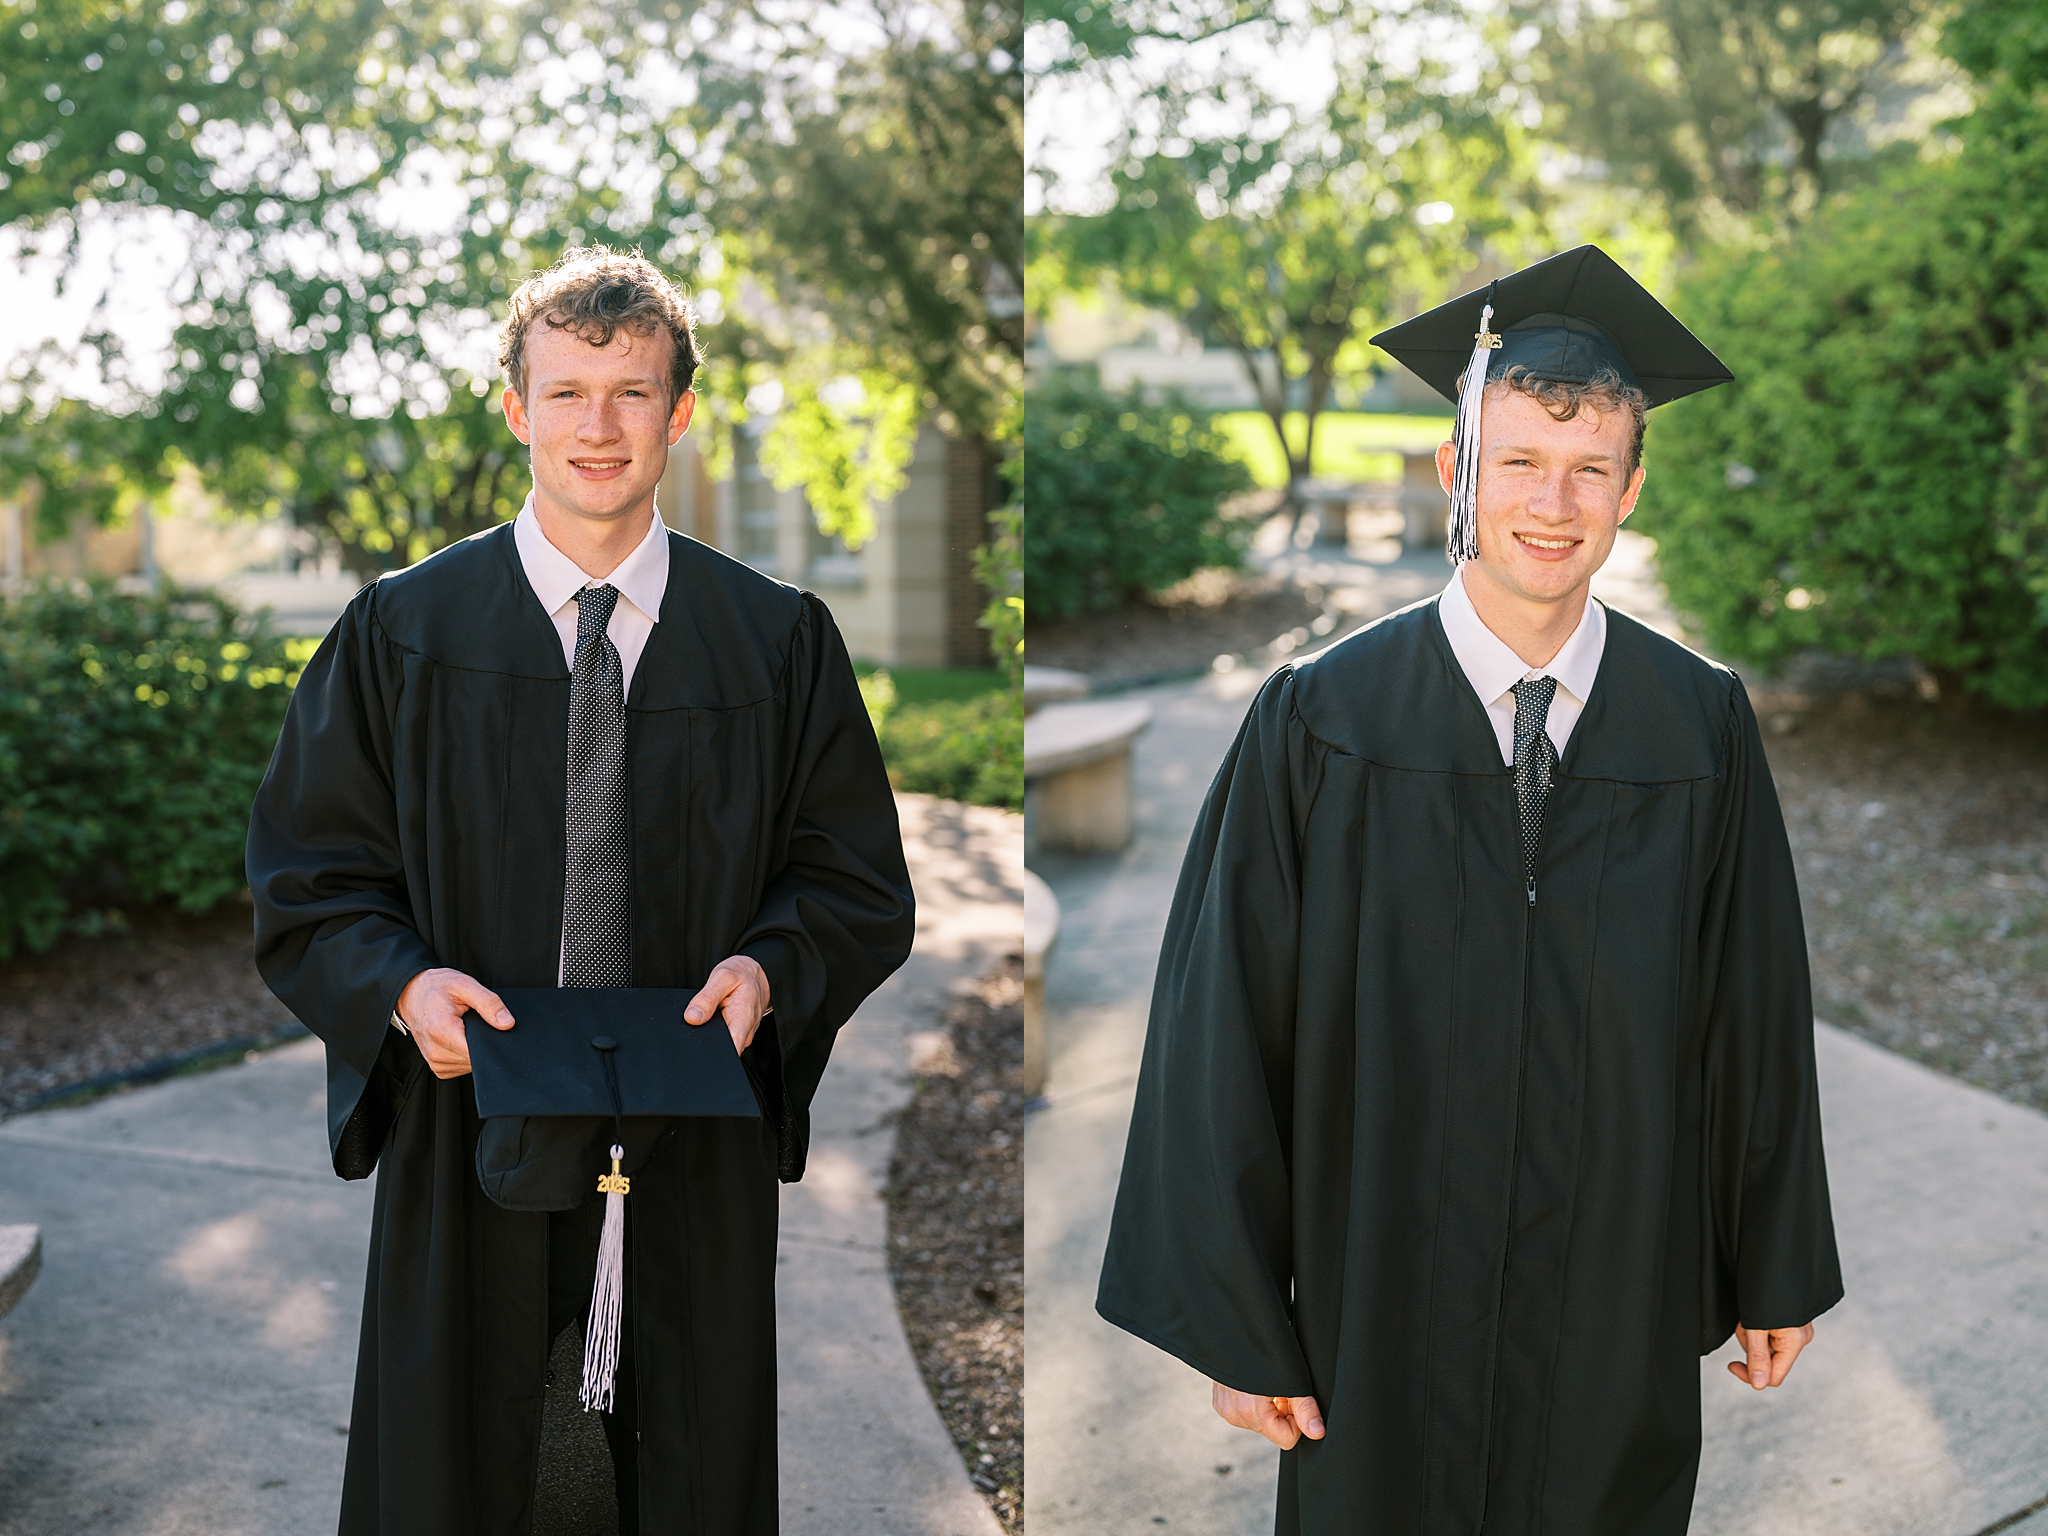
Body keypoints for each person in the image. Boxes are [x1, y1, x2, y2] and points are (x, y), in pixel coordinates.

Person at [1096, 245, 1842, 1535]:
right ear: (1456, 471)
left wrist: (1775, 1264)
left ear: (1629, 490)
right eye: (1519, 463)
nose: (1553, 503)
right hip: (1370, 1307)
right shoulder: (1321, 719)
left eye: (1589, 470)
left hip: (1616, 1292)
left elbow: (1754, 1011)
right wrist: (1240, 1318)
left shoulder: (1699, 725)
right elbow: (1223, 1023)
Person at [247, 246, 915, 1535]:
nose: (598, 428)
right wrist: (399, 989)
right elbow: (311, 870)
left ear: (681, 410)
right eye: (566, 393)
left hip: (689, 1102)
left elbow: (849, 874)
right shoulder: (401, 631)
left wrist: (774, 968)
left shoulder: (777, 639)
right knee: (459, 1455)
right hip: (473, 1102)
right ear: (517, 408)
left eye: (631, 393)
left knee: (683, 1452)